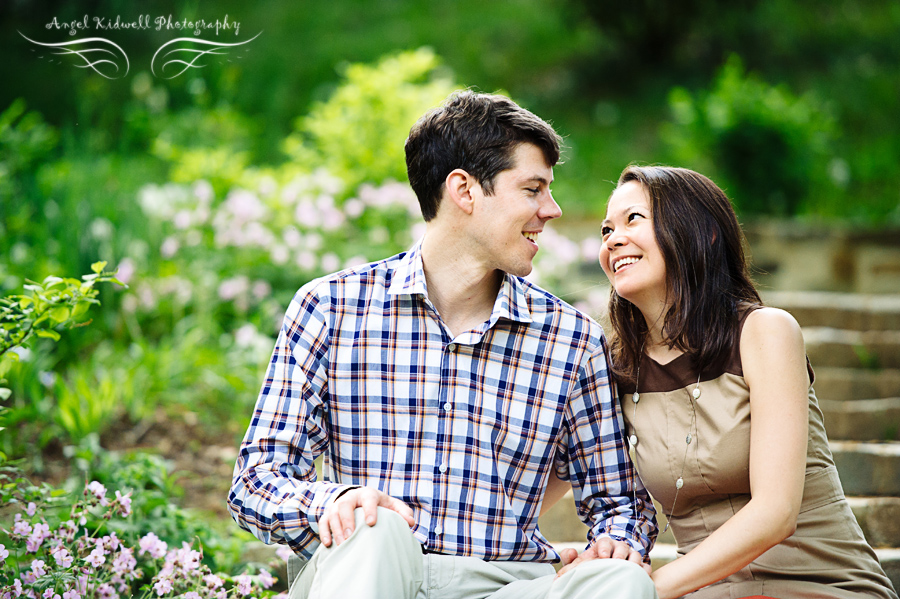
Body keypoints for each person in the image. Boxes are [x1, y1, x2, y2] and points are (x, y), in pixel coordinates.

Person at [227, 91, 659, 599]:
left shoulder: (569, 339)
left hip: (505, 586)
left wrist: (615, 542)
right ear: (465, 190)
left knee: (622, 582)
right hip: (367, 573)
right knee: (375, 525)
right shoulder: (331, 308)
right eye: (533, 189)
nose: (553, 209)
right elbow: (256, 482)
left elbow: (620, 503)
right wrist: (332, 502)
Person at [585, 164, 898, 598]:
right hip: (706, 591)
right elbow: (543, 474)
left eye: (633, 219)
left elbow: (776, 512)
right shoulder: (614, 371)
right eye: (606, 230)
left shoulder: (765, 332)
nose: (612, 239)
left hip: (820, 585)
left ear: (702, 233)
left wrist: (646, 590)